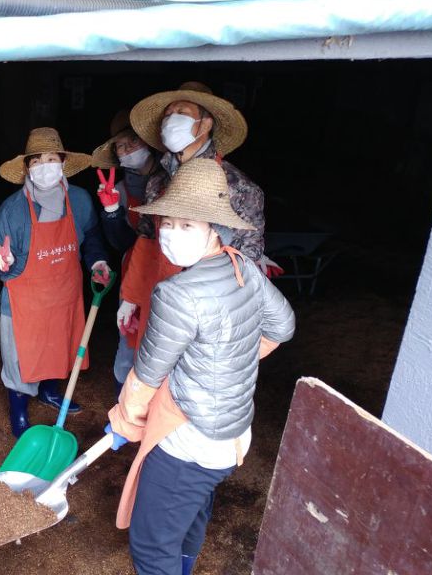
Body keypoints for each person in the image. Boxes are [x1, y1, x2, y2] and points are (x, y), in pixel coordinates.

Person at [106, 158, 295, 575]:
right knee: (189, 515)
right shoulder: (242, 266)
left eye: (187, 225)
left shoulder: (177, 292)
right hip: (231, 434)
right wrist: (229, 361)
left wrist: (124, 421)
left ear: (217, 229)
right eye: (168, 223)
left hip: (189, 437)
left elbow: (148, 375)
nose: (171, 235)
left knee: (151, 546)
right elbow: (283, 326)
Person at [118, 81, 281, 381]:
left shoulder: (237, 187)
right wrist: (132, 296)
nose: (170, 120)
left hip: (205, 309)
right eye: (167, 114)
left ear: (205, 124)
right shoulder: (157, 182)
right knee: (138, 372)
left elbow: (246, 262)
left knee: (186, 383)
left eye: (181, 112)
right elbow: (146, 239)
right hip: (157, 296)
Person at [0, 127, 111, 437]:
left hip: (64, 291)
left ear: (62, 162)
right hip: (24, 296)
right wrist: (2, 262)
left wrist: (97, 261)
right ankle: (18, 409)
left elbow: (93, 236)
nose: (45, 167)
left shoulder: (81, 200)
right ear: (27, 168)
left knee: (59, 343)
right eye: (37, 161)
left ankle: (50, 391)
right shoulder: (12, 209)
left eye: (51, 159)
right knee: (19, 353)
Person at [91, 109, 160, 395]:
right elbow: (120, 242)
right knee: (129, 337)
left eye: (133, 141)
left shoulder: (174, 178)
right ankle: (124, 402)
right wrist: (111, 211)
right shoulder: (119, 188)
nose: (127, 149)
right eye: (120, 146)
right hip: (136, 272)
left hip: (170, 273)